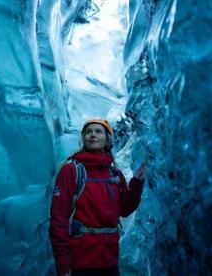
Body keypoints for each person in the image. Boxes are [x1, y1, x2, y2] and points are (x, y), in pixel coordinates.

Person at [49, 118, 146, 276]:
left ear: (107, 139)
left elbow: (125, 209)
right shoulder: (71, 170)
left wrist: (137, 183)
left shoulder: (114, 173)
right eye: (88, 132)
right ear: (83, 139)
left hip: (110, 260)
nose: (92, 135)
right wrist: (63, 263)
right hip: (81, 262)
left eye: (98, 131)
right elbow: (58, 218)